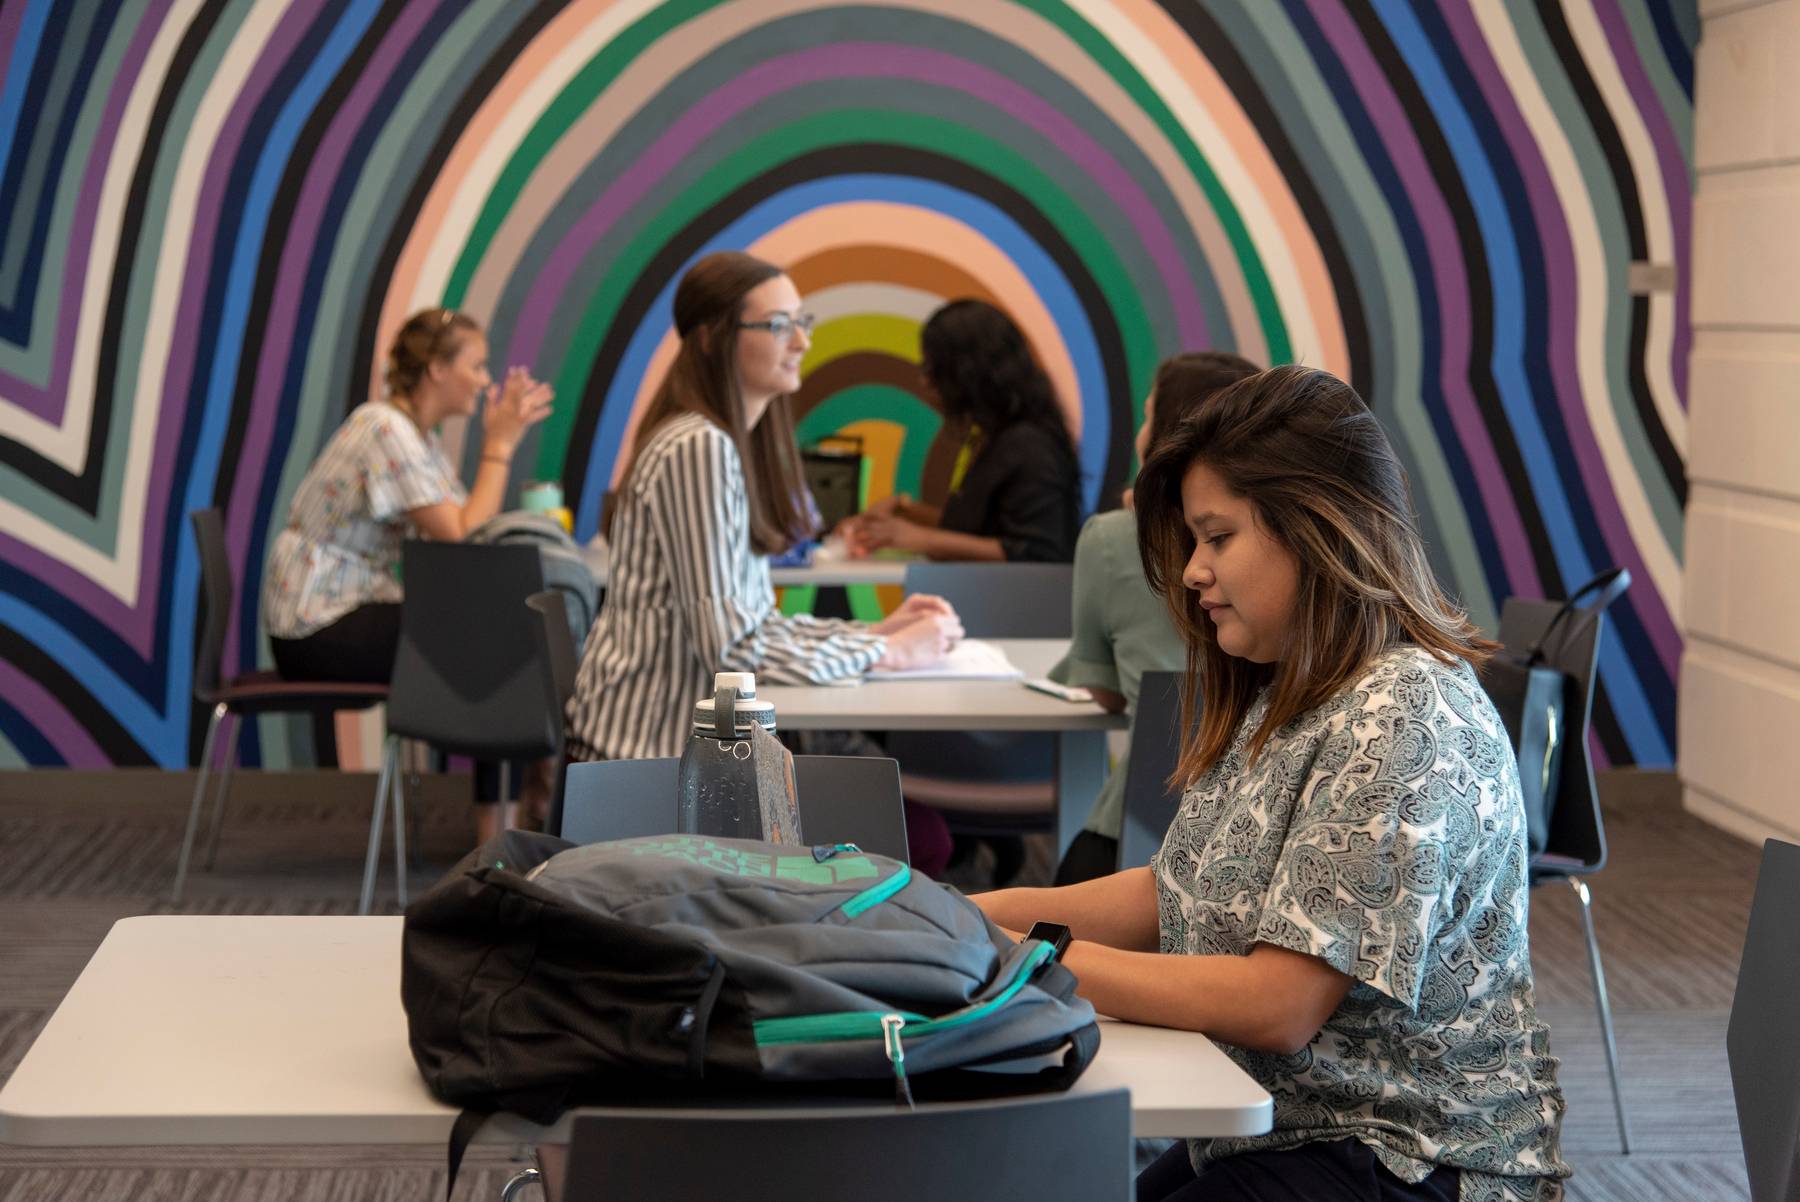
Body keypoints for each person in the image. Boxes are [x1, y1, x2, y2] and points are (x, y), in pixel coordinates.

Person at [975, 365, 1569, 1202]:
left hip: (1407, 1157)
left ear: (1317, 529)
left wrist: (1030, 958)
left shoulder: (1403, 710)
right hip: (1290, 1127)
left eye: (1218, 537)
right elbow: (1171, 892)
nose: (1191, 572)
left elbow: (1278, 1004)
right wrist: (961, 917)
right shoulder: (1289, 688)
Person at [564, 251, 963, 765]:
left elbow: (754, 624)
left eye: (802, 322)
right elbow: (732, 653)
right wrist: (891, 653)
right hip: (646, 759)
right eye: (778, 326)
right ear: (713, 338)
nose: (802, 341)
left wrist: (874, 631)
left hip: (680, 753)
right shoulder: (698, 448)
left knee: (912, 825)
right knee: (911, 830)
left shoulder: (723, 444)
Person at [262, 307, 555, 839]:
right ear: (438, 370)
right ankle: (506, 822)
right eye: (477, 365)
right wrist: (499, 446)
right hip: (316, 625)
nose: (486, 380)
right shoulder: (383, 428)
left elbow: (472, 534)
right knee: (501, 639)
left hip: (348, 610)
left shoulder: (420, 439)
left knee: (502, 633)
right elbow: (462, 534)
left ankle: (516, 807)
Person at [1049, 351, 1260, 886]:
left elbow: (1103, 690)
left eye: (1221, 538)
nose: (1193, 572)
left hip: (1144, 825)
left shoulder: (1113, 538)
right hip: (1218, 842)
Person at [844, 299, 1081, 562]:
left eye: (933, 369)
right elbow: (973, 531)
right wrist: (905, 511)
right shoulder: (1000, 439)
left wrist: (919, 538)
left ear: (967, 371)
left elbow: (1039, 552)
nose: (925, 382)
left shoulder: (1030, 447)